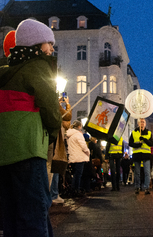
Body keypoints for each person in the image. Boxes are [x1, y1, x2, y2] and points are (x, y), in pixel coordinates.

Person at [0, 19, 61, 236]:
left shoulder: (5, 72)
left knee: (12, 217)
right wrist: (53, 134)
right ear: (36, 45)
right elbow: (51, 111)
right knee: (34, 215)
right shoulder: (37, 67)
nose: (52, 49)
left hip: (5, 152)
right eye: (49, 44)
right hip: (29, 148)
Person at [51, 96, 72, 205]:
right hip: (53, 143)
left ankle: (53, 193)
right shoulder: (52, 102)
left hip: (51, 142)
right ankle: (53, 194)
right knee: (53, 168)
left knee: (53, 169)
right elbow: (67, 117)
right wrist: (67, 104)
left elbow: (66, 123)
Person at [129, 118, 153, 194]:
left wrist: (144, 139)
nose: (142, 123)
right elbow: (130, 143)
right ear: (138, 124)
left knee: (147, 172)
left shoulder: (149, 133)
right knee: (137, 172)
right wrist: (137, 145)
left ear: (145, 124)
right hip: (137, 154)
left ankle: (146, 188)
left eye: (143, 122)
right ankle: (137, 187)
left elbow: (151, 143)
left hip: (146, 155)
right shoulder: (134, 132)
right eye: (140, 122)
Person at [66, 120, 90, 196]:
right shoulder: (78, 135)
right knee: (78, 175)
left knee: (75, 174)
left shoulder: (69, 135)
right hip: (79, 157)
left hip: (73, 157)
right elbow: (83, 146)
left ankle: (74, 189)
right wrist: (88, 152)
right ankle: (76, 190)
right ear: (79, 126)